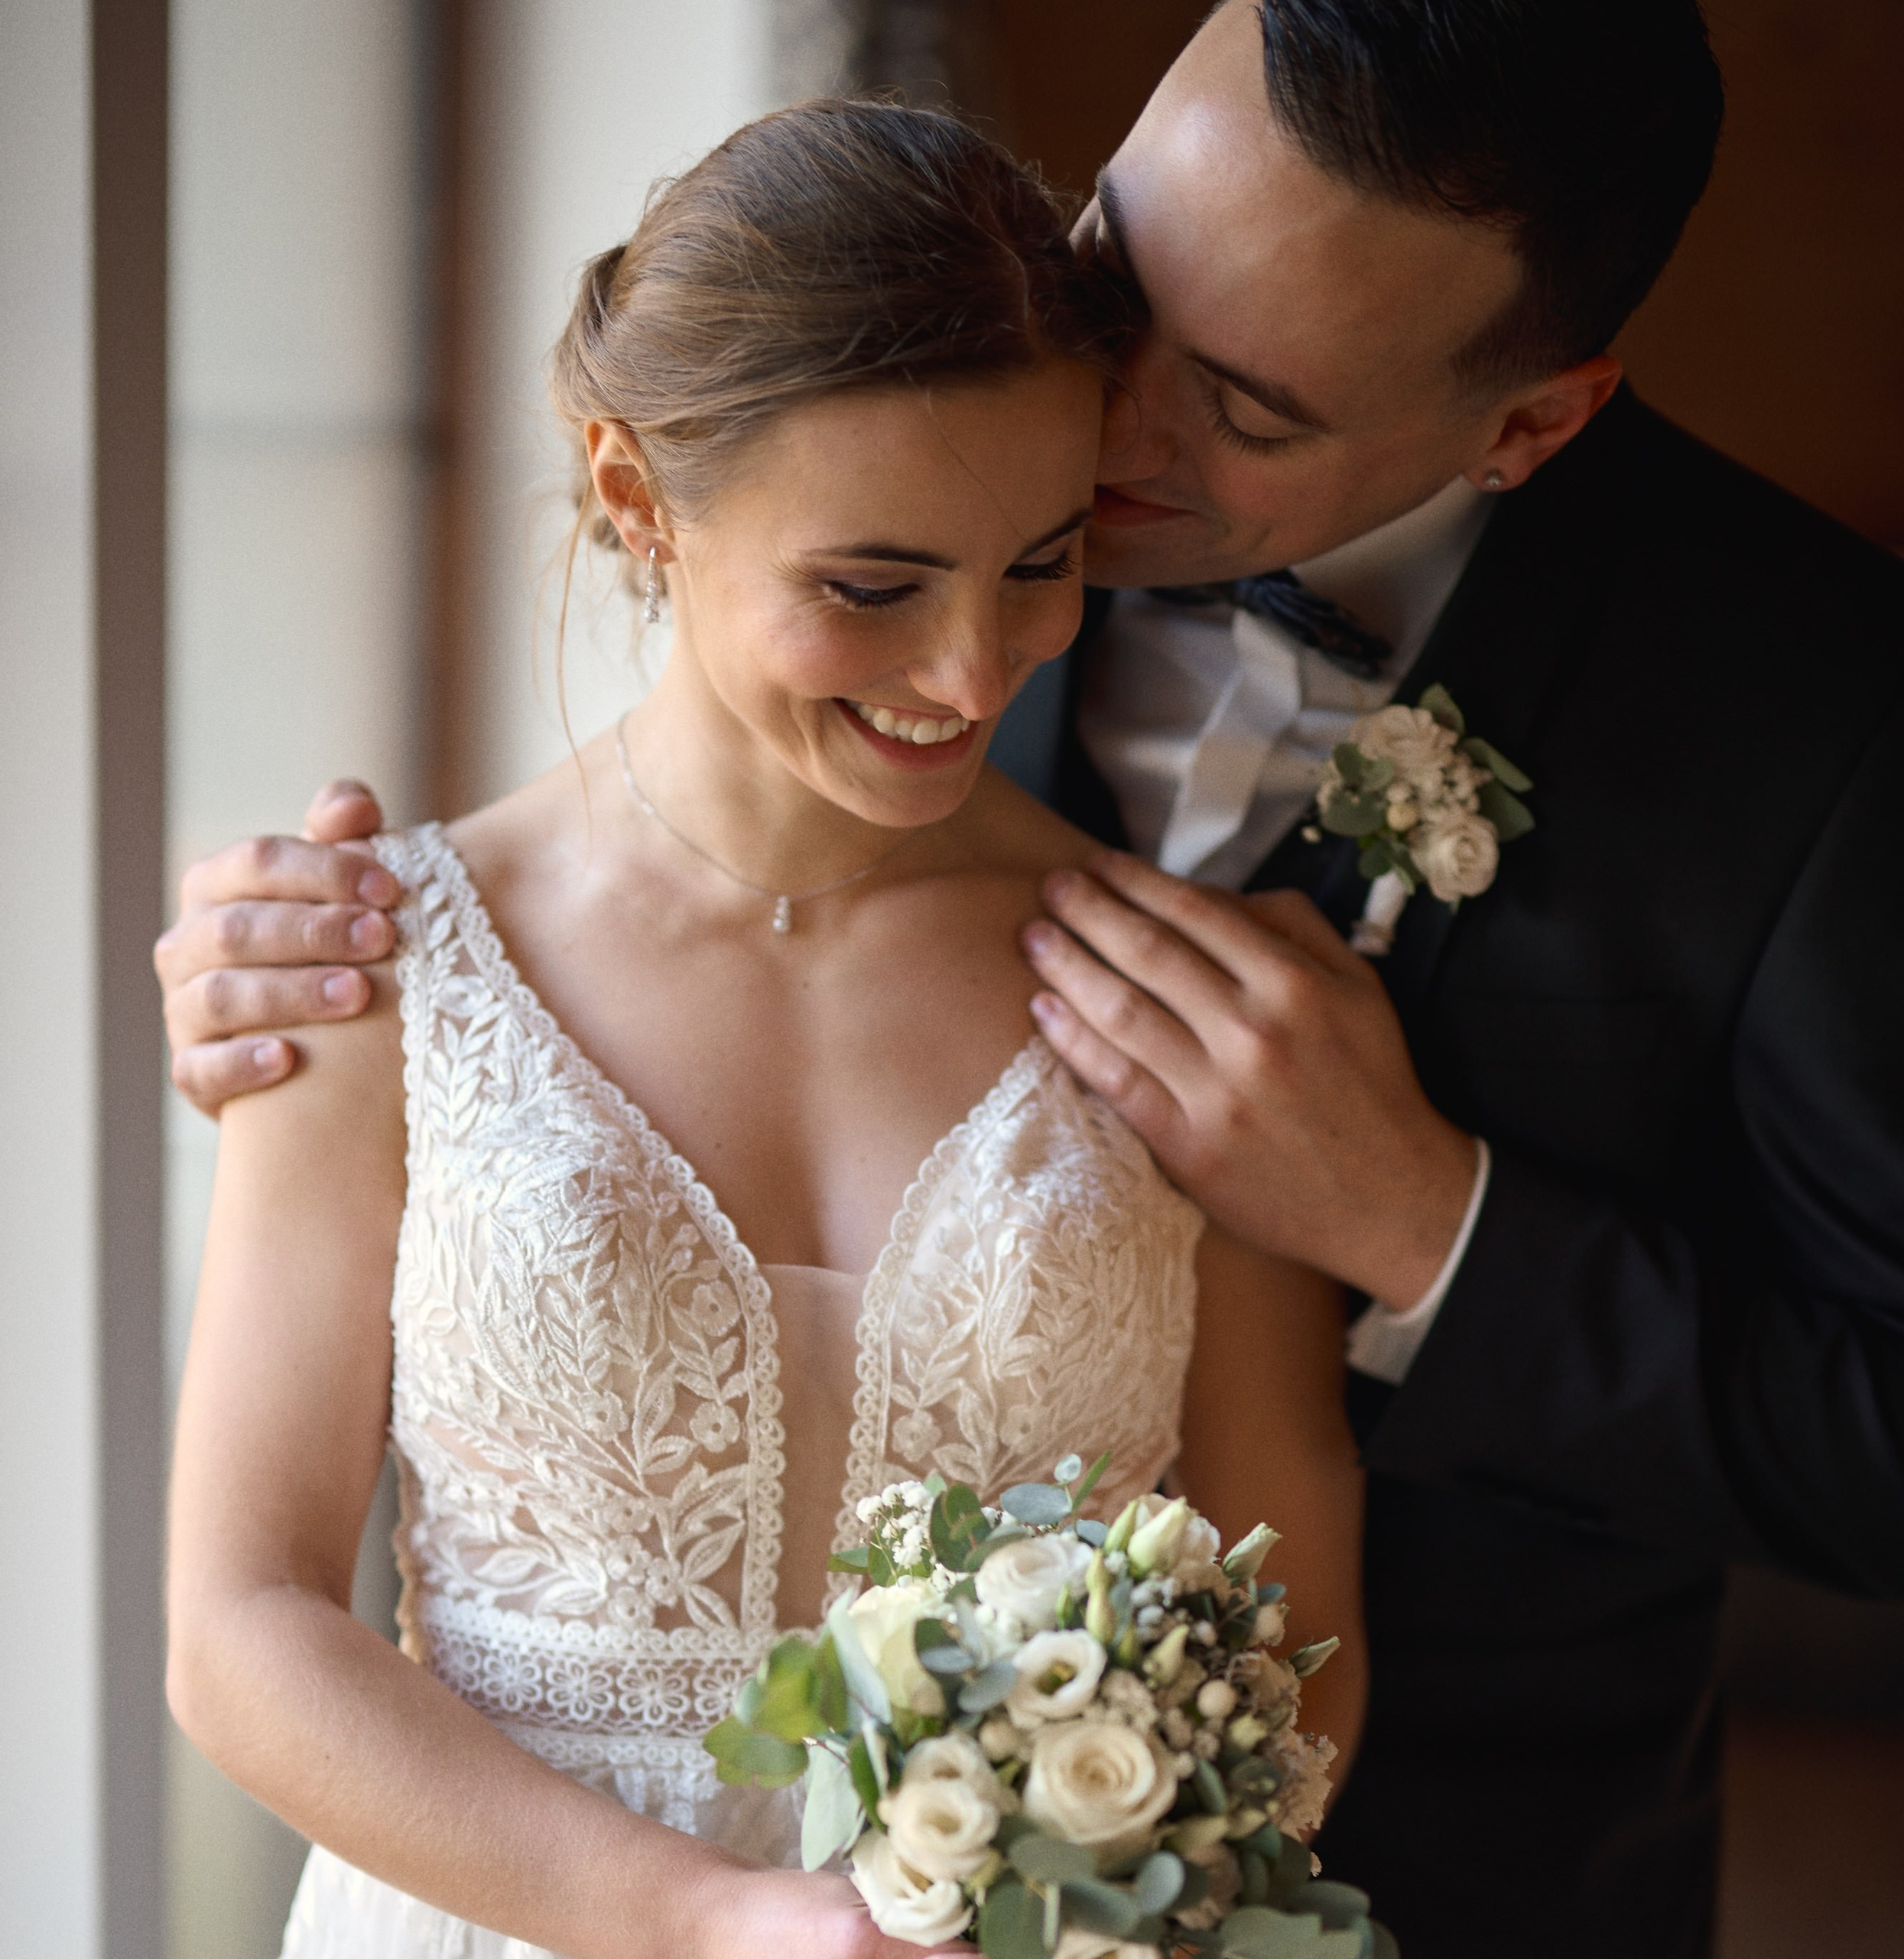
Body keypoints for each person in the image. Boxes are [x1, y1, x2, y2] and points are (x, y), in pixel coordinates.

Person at [157, 2, 1904, 1954]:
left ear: (1524, 422)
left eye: (1243, 410)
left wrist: (1423, 1222)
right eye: (1113, 272)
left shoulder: (1835, 724)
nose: (1095, 427)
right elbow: (246, 1606)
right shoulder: (954, 412)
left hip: (1431, 1860)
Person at [164, 101, 1368, 1959]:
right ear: (635, 494)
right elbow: (242, 1628)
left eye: (1038, 561)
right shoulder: (375, 969)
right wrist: (712, 1921)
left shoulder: (1184, 1008)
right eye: (871, 587)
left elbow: (1294, 1630)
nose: (974, 671)